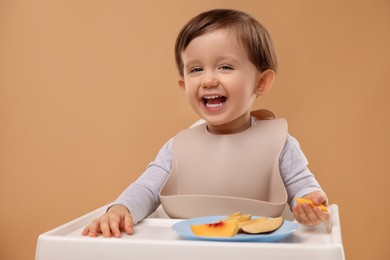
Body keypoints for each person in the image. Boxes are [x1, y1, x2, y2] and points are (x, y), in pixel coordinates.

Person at [82, 8, 329, 238]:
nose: (208, 80)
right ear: (184, 85)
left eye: (225, 66)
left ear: (261, 82)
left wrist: (309, 204)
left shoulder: (280, 144)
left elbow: (302, 186)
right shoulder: (177, 148)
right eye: (196, 69)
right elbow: (146, 189)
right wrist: (120, 209)